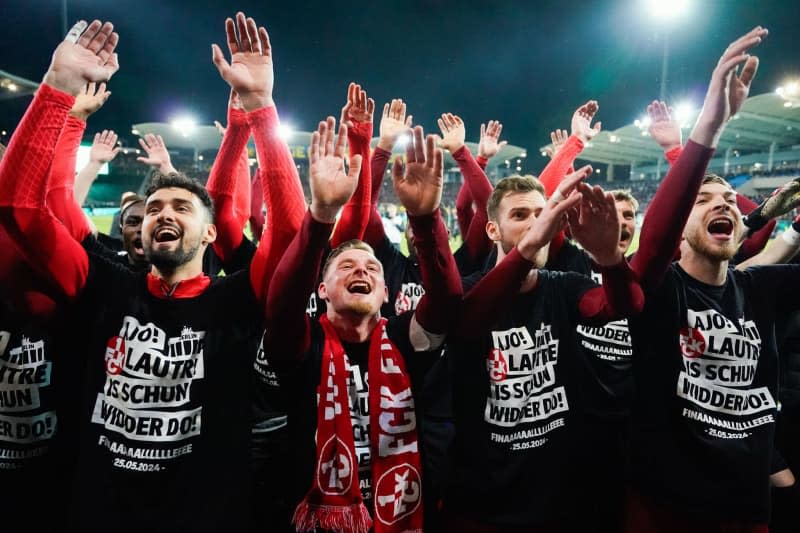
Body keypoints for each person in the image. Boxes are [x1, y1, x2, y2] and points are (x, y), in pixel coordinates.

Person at [0, 13, 306, 532]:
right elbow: (21, 208)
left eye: (183, 208)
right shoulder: (102, 284)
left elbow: (292, 235)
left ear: (211, 235)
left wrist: (260, 110)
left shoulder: (234, 300)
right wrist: (55, 91)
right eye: (156, 207)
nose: (164, 213)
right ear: (138, 232)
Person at [622, 26, 794, 532]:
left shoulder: (761, 287)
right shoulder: (657, 289)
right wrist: (707, 129)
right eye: (702, 199)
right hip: (666, 511)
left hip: (746, 512)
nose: (720, 202)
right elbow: (653, 244)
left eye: (728, 201)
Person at [265, 120, 461, 533]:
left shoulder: (405, 338)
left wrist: (425, 221)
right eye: (347, 267)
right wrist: (320, 217)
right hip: (320, 519)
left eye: (372, 267)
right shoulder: (305, 340)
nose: (363, 271)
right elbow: (281, 307)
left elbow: (445, 302)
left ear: (386, 293)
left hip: (406, 513)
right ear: (322, 290)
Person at [443, 162, 645, 531]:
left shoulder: (563, 286)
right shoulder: (467, 292)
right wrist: (532, 242)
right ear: (492, 229)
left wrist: (609, 259)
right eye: (521, 215)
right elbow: (467, 323)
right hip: (484, 500)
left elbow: (622, 304)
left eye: (541, 214)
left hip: (562, 499)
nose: (536, 223)